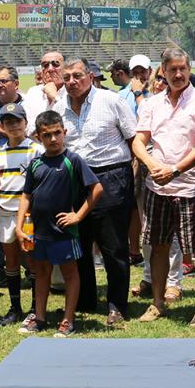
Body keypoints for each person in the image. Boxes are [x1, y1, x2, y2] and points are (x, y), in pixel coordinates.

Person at [131, 47, 195, 325]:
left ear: (189, 69)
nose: (178, 74)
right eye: (172, 70)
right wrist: (151, 165)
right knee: (158, 247)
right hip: (158, 188)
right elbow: (139, 140)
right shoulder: (152, 104)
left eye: (182, 69)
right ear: (163, 72)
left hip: (192, 187)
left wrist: (176, 169)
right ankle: (157, 303)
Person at [53, 57, 136, 325]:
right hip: (75, 180)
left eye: (77, 76)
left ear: (90, 76)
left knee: (113, 246)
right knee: (79, 244)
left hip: (110, 176)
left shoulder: (110, 101)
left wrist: (131, 174)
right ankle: (85, 300)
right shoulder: (58, 106)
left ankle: (117, 305)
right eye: (67, 78)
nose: (72, 82)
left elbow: (133, 138)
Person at [16, 110, 102, 337]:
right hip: (39, 231)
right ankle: (40, 317)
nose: (53, 139)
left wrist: (78, 216)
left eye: (57, 133)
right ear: (38, 137)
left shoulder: (73, 160)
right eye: (47, 135)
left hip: (64, 232)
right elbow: (26, 196)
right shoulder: (35, 164)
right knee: (41, 272)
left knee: (70, 273)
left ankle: (68, 320)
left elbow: (97, 188)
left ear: (64, 132)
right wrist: (19, 226)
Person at [0, 102, 44, 325]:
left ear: (26, 123)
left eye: (17, 121)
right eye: (8, 122)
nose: (13, 126)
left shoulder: (36, 150)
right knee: (10, 260)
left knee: (31, 260)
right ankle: (15, 307)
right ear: (2, 126)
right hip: (5, 212)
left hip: (29, 214)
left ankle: (35, 307)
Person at [23, 51, 66, 135]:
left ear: (65, 69)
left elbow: (71, 123)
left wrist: (56, 98)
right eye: (45, 65)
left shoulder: (71, 91)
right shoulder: (33, 92)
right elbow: (25, 126)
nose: (50, 69)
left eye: (55, 64)